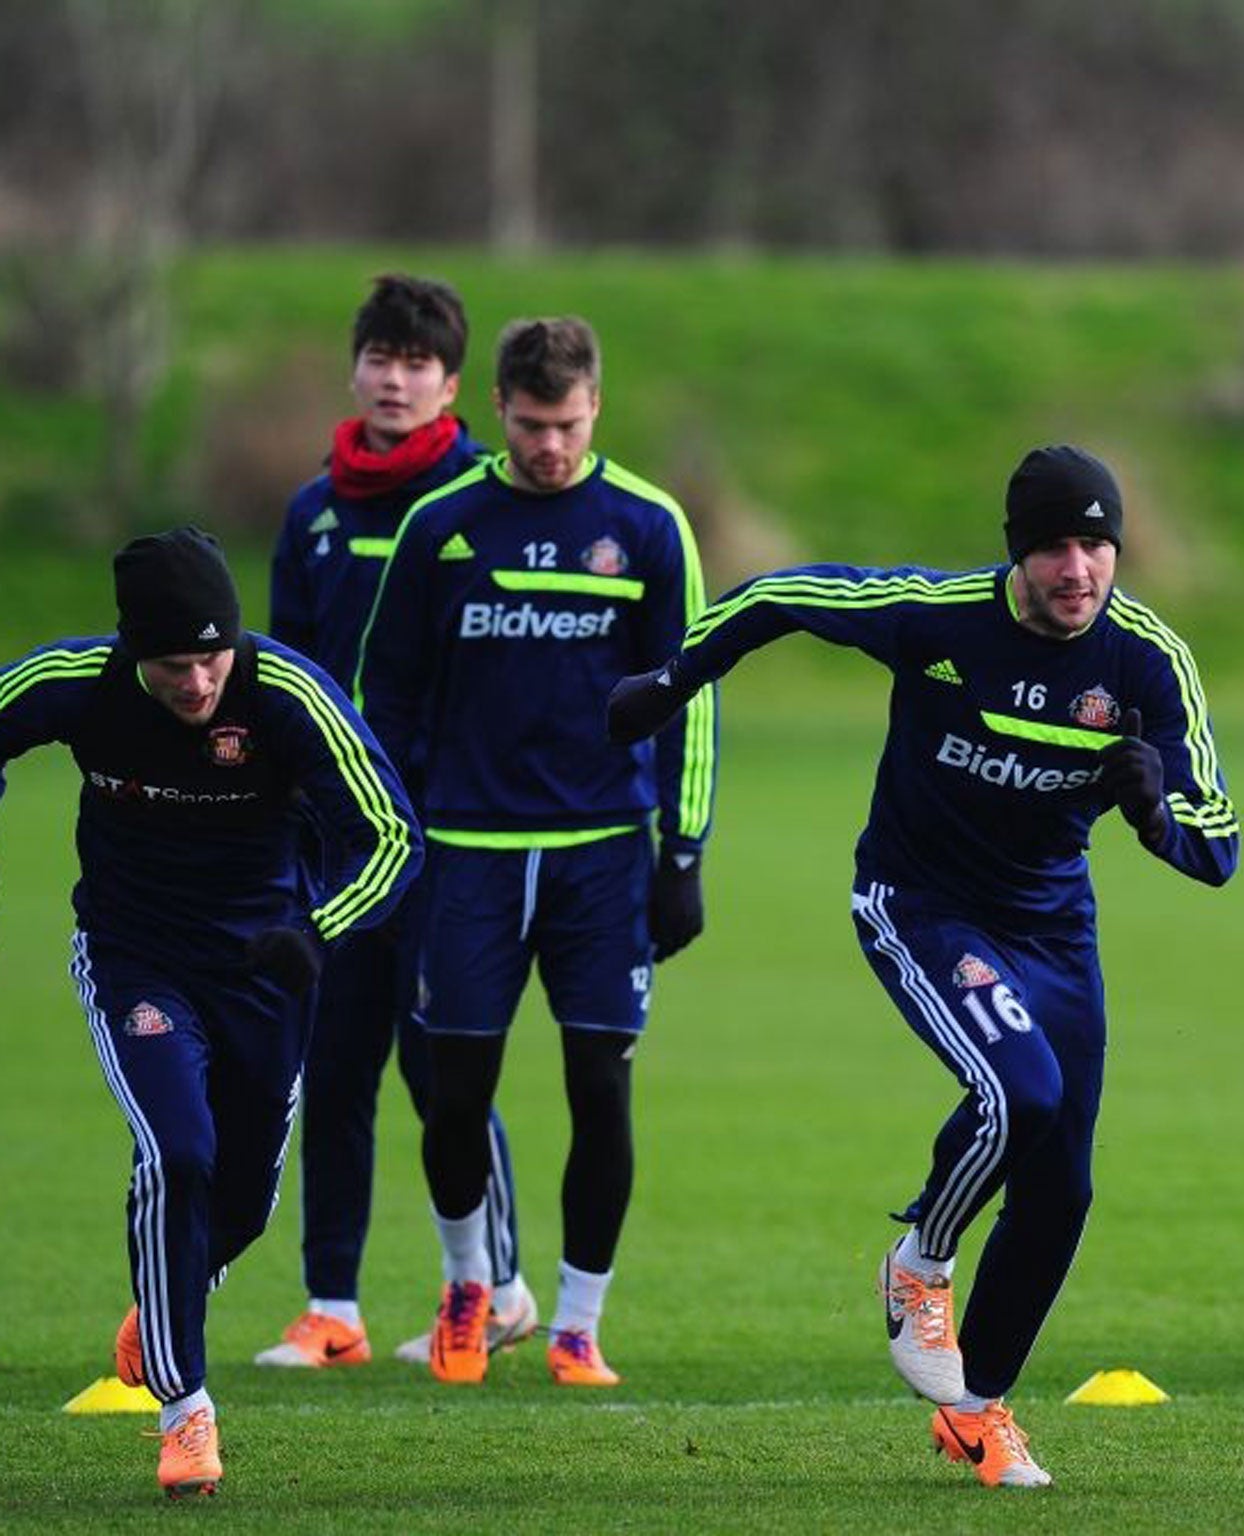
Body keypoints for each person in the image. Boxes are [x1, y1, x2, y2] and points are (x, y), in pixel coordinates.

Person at [606, 443, 1238, 1489]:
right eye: (1053, 548)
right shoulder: (935, 615)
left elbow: (1218, 849)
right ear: (1015, 555)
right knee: (1015, 1089)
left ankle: (978, 1411)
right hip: (920, 905)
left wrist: (1152, 808)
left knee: (1061, 1190)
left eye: (1095, 545)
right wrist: (671, 682)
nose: (1077, 569)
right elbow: (780, 596)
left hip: (1052, 932)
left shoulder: (1144, 659)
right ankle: (920, 1263)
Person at [0, 528, 421, 1497]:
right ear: (131, 653)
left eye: (211, 658)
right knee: (177, 1154)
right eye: (171, 665)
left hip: (268, 968)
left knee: (240, 1203)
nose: (197, 684)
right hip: (135, 959)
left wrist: (316, 933)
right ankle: (186, 1413)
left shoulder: (287, 696)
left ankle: (166, 1303)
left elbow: (392, 836)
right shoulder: (76, 682)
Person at [357, 315, 715, 1389]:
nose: (547, 447)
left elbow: (688, 703)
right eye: (526, 426)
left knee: (599, 1089)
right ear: (497, 413)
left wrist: (682, 850)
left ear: (594, 406)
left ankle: (577, 1324)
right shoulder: (442, 525)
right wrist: (392, 837)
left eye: (563, 425)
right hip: (466, 853)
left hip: (602, 859)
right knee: (454, 1093)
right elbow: (387, 697)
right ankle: (467, 1285)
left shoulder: (647, 526)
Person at [262, 272, 534, 1371]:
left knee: (444, 1072)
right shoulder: (312, 510)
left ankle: (495, 1287)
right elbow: (275, 673)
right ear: (355, 367)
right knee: (331, 1069)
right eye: (379, 354)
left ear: (452, 383)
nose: (394, 376)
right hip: (332, 843)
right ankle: (334, 1307)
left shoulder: (480, 497)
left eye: (417, 361)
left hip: (443, 838)